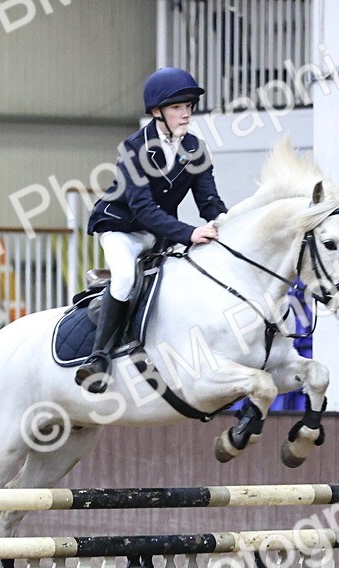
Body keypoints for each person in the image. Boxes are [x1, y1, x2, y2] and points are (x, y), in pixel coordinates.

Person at [77, 67, 228, 393]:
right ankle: (99, 358)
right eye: (177, 107)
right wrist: (189, 233)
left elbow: (209, 200)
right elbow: (143, 209)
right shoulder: (134, 148)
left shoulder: (195, 148)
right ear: (158, 112)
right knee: (126, 279)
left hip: (158, 233)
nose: (186, 113)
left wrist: (225, 224)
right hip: (121, 228)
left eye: (189, 106)